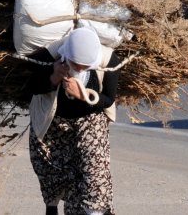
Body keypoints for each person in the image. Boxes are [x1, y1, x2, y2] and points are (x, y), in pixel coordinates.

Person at [27, 27, 120, 215]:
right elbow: (31, 87)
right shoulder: (49, 55)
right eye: (75, 64)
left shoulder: (108, 60)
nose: (79, 69)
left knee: (95, 172)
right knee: (49, 169)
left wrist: (84, 95)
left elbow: (109, 99)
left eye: (85, 66)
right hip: (53, 121)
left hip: (90, 119)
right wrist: (54, 77)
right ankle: (52, 208)